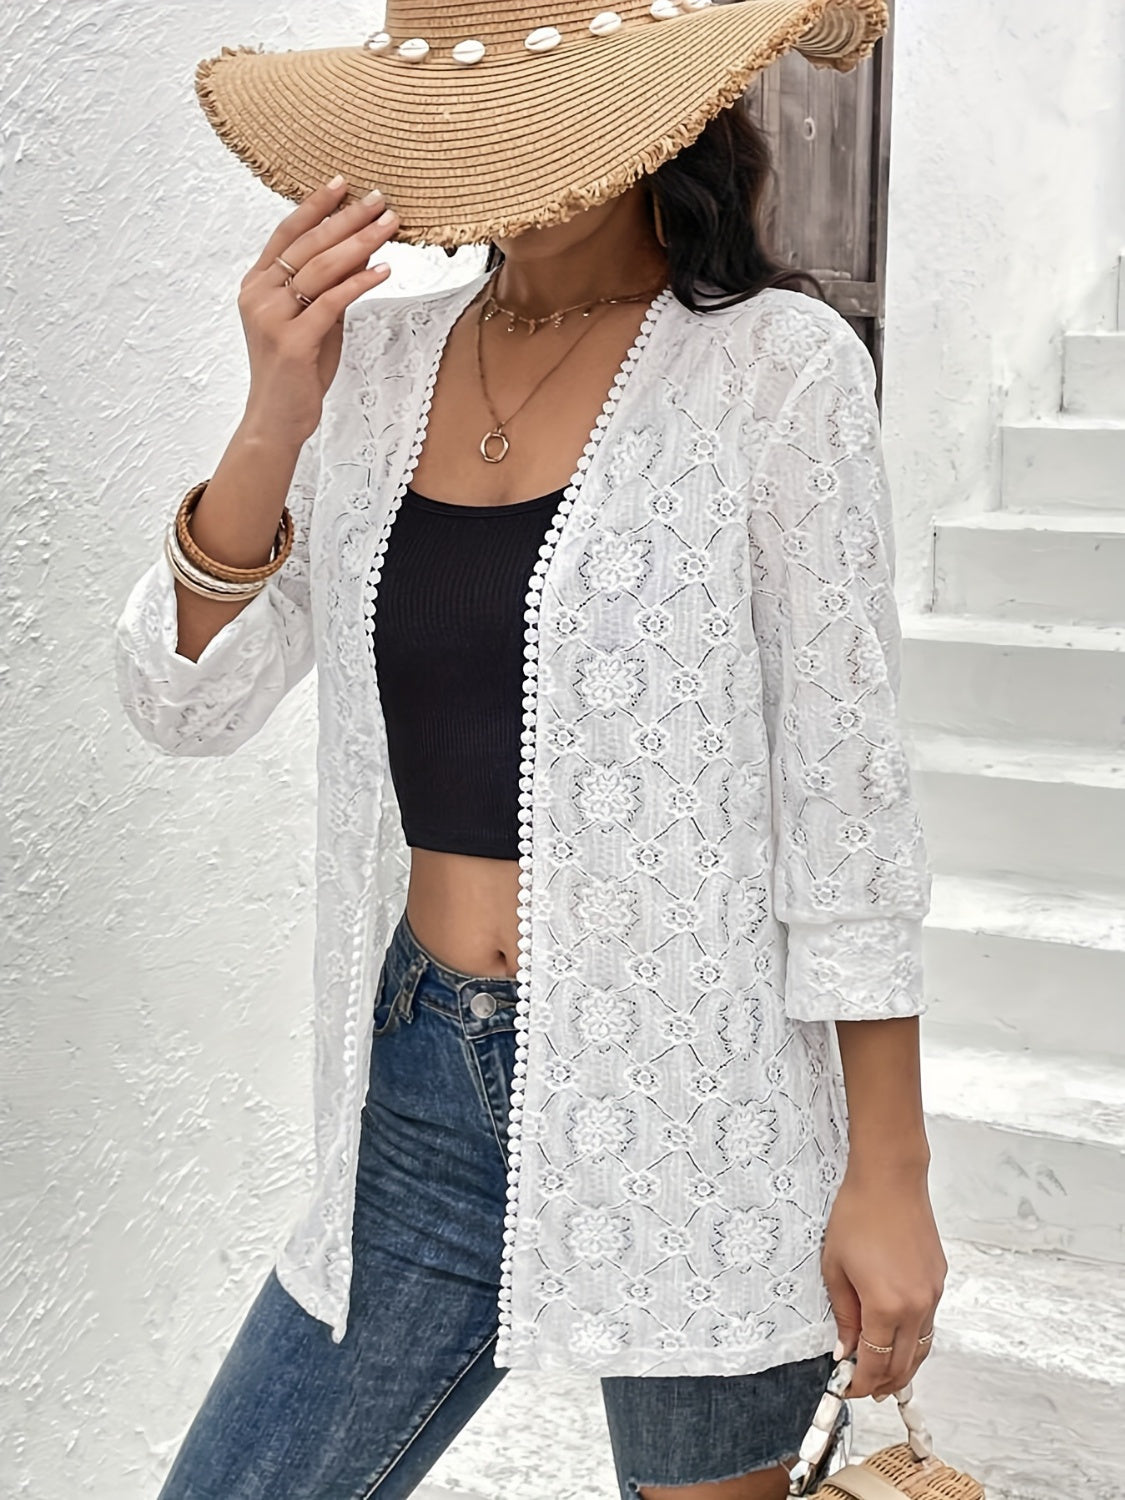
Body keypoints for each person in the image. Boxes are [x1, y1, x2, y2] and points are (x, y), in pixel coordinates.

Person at [114, 2, 947, 1496]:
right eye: (473, 125)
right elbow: (186, 702)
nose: (512, 164)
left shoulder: (777, 369)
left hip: (698, 1093)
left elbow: (844, 802)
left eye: (548, 117)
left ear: (659, 117)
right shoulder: (372, 370)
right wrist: (275, 414)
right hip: (424, 1087)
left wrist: (890, 1170)